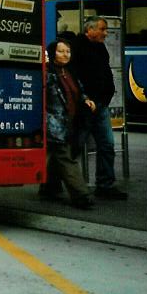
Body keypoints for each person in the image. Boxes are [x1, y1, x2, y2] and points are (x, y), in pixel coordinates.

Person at [72, 16, 128, 199]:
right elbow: (76, 78)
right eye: (102, 29)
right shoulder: (77, 48)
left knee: (107, 144)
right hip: (85, 106)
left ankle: (105, 185)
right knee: (74, 147)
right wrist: (85, 98)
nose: (106, 33)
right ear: (90, 30)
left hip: (101, 105)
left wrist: (106, 96)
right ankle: (52, 184)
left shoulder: (100, 48)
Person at [40, 39, 96, 209]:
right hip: (54, 124)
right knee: (66, 157)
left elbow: (79, 91)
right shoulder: (48, 73)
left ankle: (49, 187)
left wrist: (86, 99)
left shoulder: (69, 71)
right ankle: (81, 195)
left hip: (71, 122)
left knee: (58, 157)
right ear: (52, 53)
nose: (65, 55)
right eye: (61, 51)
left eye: (68, 52)